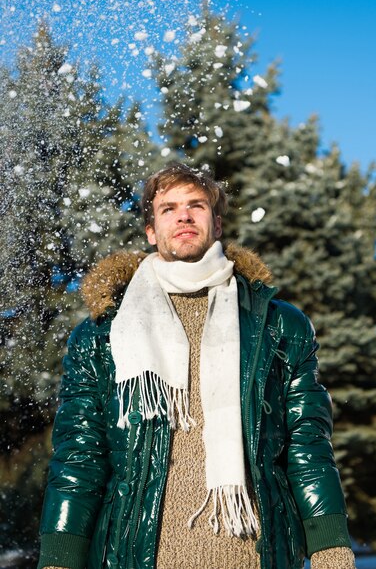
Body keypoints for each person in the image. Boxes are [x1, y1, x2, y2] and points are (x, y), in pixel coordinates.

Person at [38, 163, 356, 569]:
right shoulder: (103, 334)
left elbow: (306, 444)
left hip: (254, 555)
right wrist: (59, 558)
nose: (184, 216)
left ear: (217, 224)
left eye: (196, 206)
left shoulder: (278, 326)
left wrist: (331, 550)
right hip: (138, 556)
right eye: (168, 208)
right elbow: (80, 456)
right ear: (151, 231)